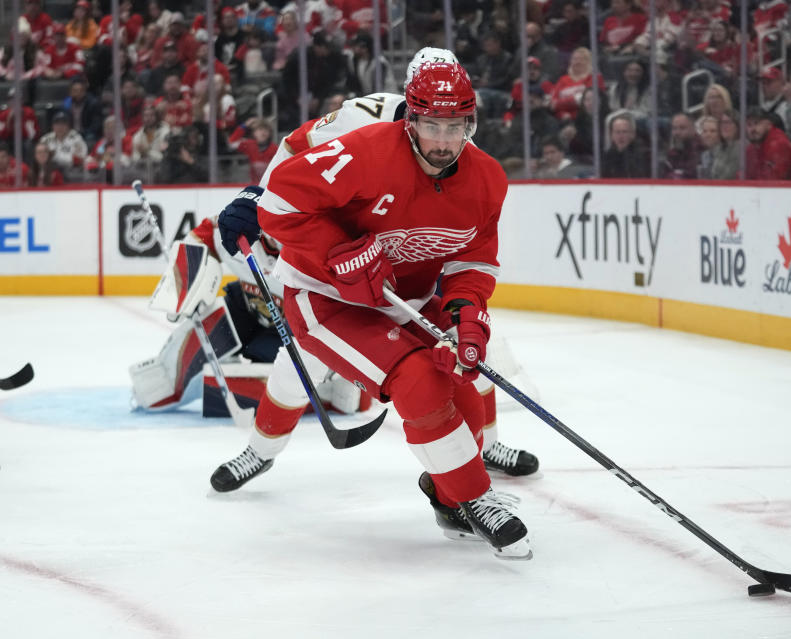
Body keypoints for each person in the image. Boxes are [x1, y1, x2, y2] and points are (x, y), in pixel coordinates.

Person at [213, 62, 532, 560]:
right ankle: (261, 450)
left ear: (471, 121)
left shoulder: (485, 176)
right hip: (328, 294)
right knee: (333, 372)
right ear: (409, 114)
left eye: (457, 127)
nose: (444, 141)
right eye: (432, 125)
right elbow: (288, 179)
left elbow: (472, 259)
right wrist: (327, 244)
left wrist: (466, 314)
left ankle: (461, 481)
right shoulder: (360, 132)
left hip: (403, 294)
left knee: (466, 361)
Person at [745, 107, 791, 180]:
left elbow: (773, 181)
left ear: (769, 124)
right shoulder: (751, 148)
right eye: (749, 125)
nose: (753, 129)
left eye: (757, 123)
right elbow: (744, 175)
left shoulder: (778, 144)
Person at [602, 111, 650, 178]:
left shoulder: (642, 156)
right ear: (611, 135)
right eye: (617, 132)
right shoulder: (607, 156)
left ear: (632, 134)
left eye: (624, 132)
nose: (620, 136)